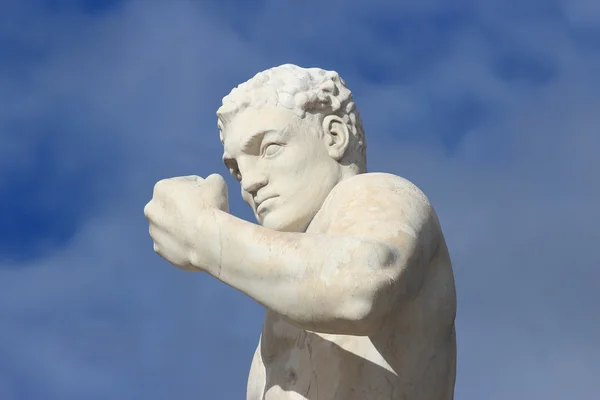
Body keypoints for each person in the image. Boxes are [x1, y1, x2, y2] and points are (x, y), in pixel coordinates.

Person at [144, 64, 457, 399]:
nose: (249, 182)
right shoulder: (279, 309)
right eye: (236, 170)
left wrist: (206, 236)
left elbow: (360, 285)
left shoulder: (382, 194)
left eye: (268, 149)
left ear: (334, 136)